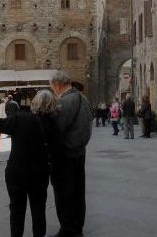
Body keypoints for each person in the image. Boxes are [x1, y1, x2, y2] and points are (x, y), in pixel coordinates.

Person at [0, 89, 60, 237]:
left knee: (16, 210)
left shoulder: (21, 119)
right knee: (39, 210)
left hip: (17, 171)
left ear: (35, 103)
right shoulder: (54, 123)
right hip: (40, 173)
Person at [49, 71, 93, 237]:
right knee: (78, 192)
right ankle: (77, 227)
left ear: (58, 85)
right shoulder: (83, 98)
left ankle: (67, 230)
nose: (53, 90)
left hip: (65, 154)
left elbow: (56, 129)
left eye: (52, 87)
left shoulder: (65, 102)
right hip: (80, 152)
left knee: (64, 193)